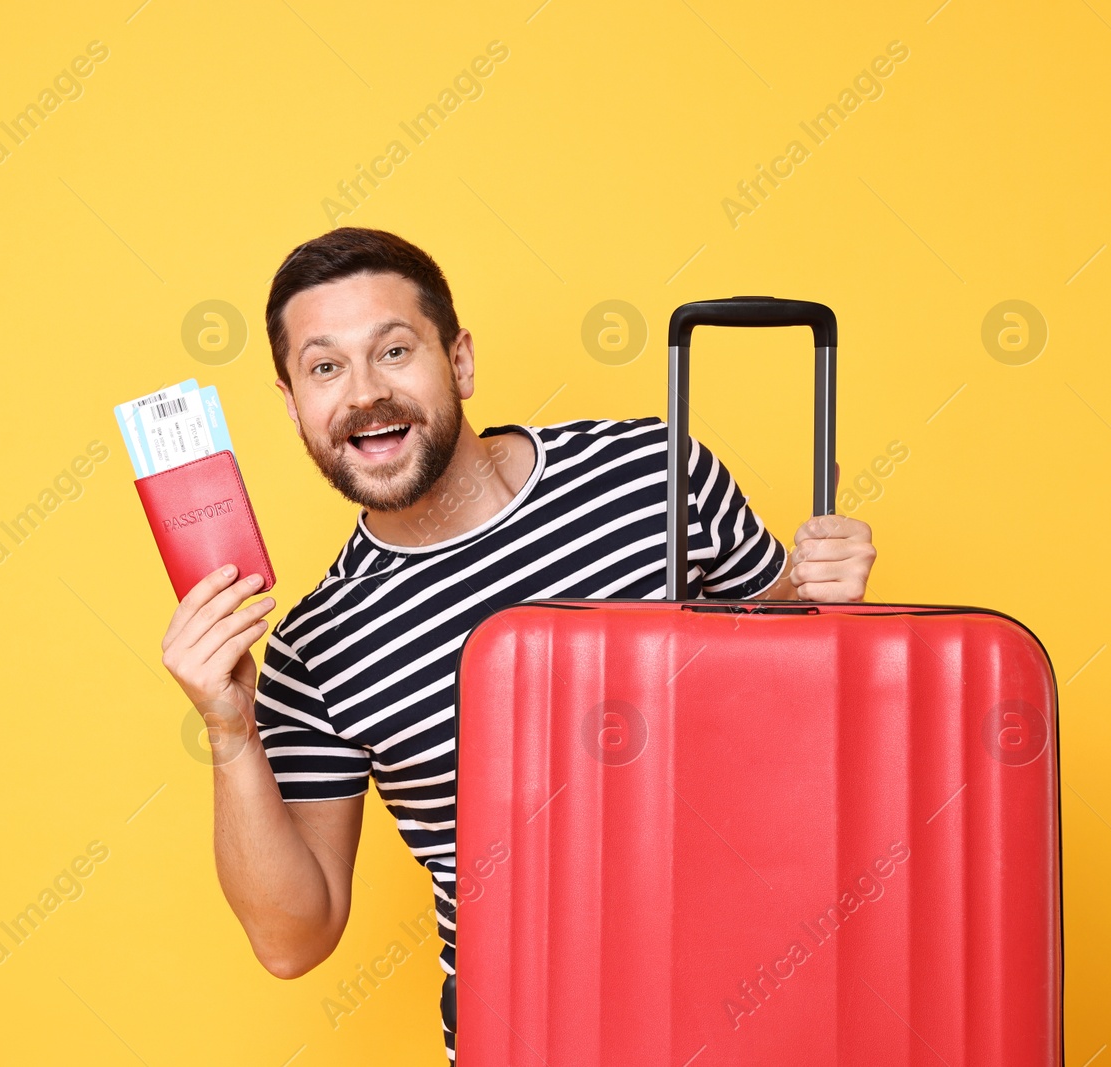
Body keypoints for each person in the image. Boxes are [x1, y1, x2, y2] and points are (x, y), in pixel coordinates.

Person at [159, 227, 876, 1061]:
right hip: (530, 1027)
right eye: (325, 367)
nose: (364, 393)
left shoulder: (652, 472)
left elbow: (794, 691)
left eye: (394, 350)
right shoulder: (321, 642)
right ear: (293, 407)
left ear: (459, 361)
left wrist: (813, 591)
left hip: (762, 996)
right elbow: (294, 938)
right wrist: (229, 729)